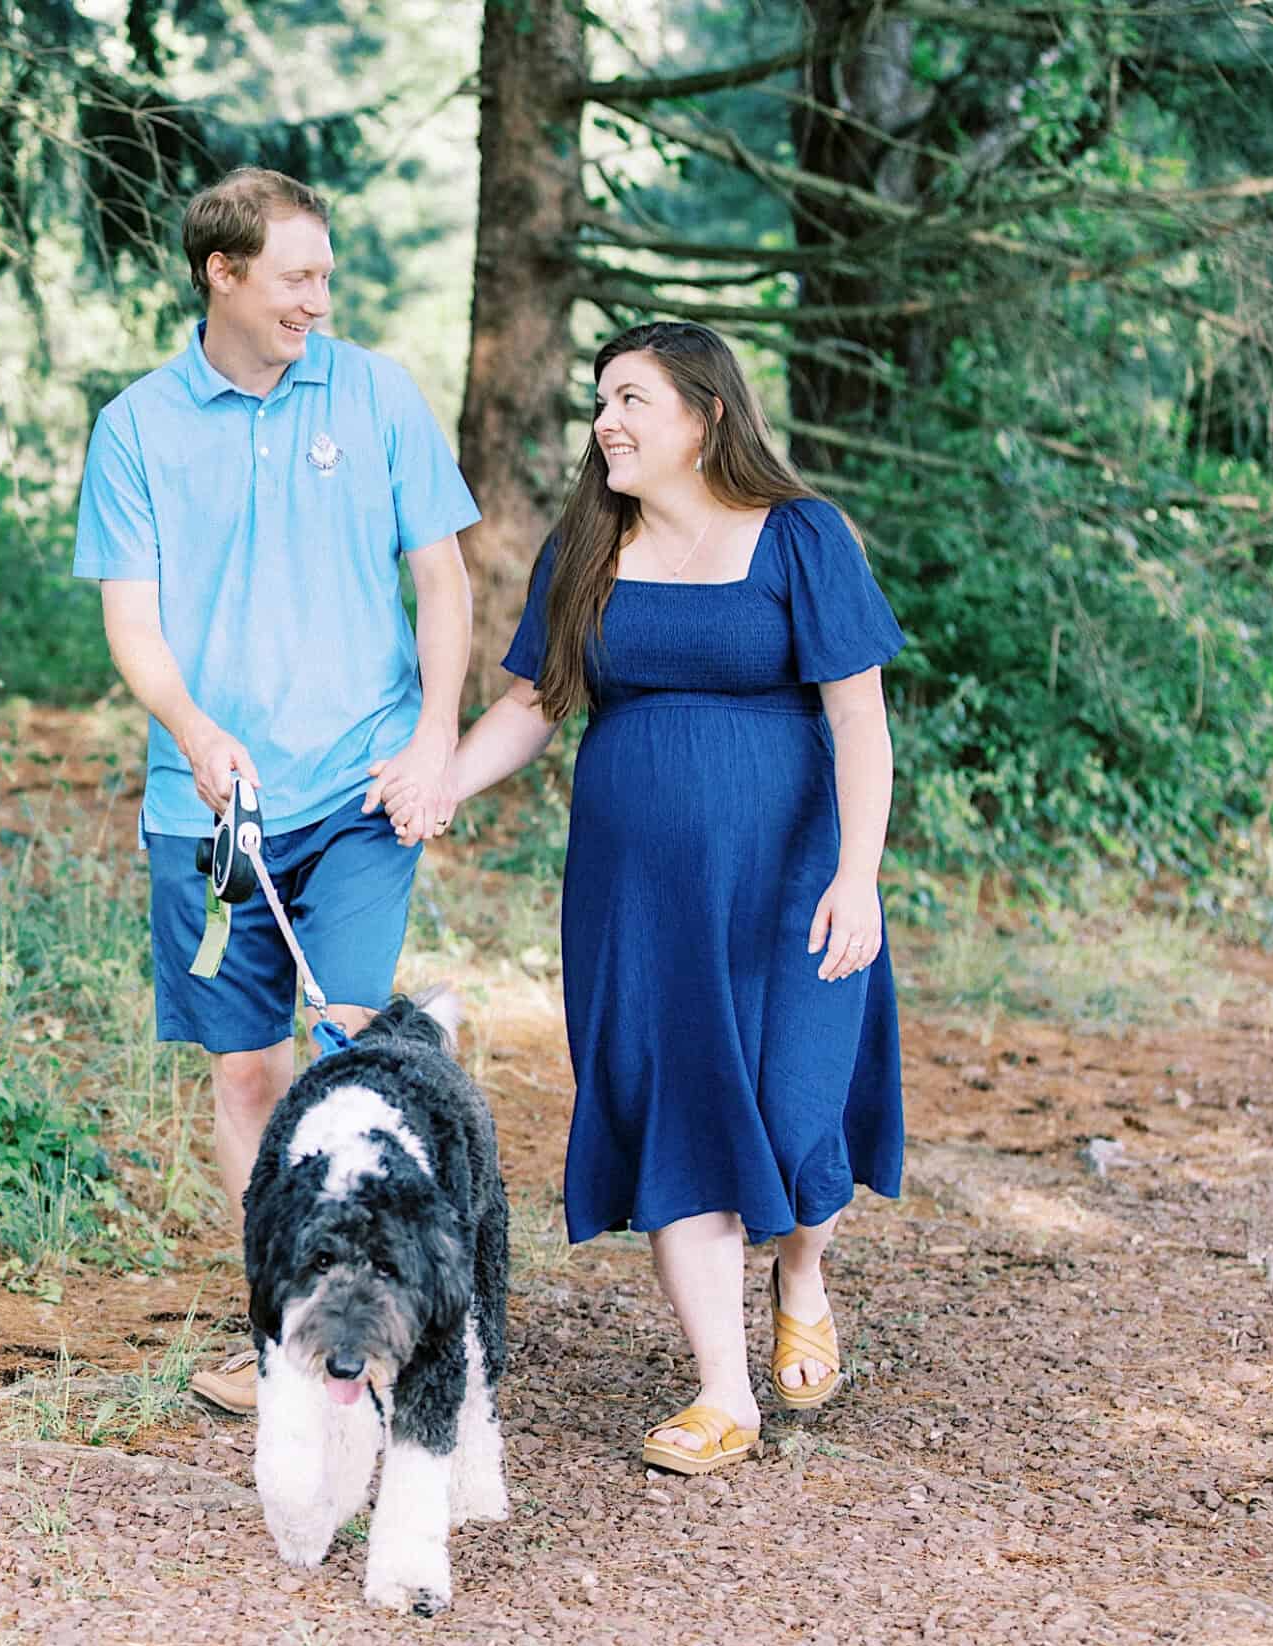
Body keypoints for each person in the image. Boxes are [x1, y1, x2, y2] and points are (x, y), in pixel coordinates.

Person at [387, 320, 905, 1473]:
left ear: (704, 416)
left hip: (791, 884)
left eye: (632, 400)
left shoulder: (802, 538)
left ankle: (804, 1266)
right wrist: (443, 781)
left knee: (800, 1108)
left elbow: (858, 720)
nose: (606, 422)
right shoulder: (591, 544)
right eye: (600, 402)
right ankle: (724, 1391)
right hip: (637, 902)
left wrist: (857, 873)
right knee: (678, 1108)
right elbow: (532, 703)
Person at [72, 166, 478, 1416]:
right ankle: (283, 1335)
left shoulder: (376, 393)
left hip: (359, 784)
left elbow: (445, 583)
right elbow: (131, 627)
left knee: (347, 1056)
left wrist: (433, 740)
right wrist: (192, 729)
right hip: (211, 813)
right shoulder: (136, 426)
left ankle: (373, 1319)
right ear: (223, 273)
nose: (320, 297)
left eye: (324, 274)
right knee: (245, 1075)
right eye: (297, 275)